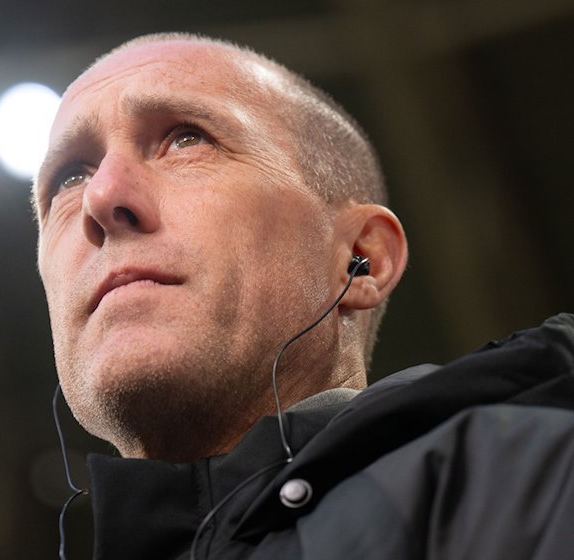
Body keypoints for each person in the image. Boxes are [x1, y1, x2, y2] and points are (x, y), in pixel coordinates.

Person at [33, 32, 574, 559]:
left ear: (362, 258)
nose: (101, 197)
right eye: (69, 178)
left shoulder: (536, 479)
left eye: (186, 138)